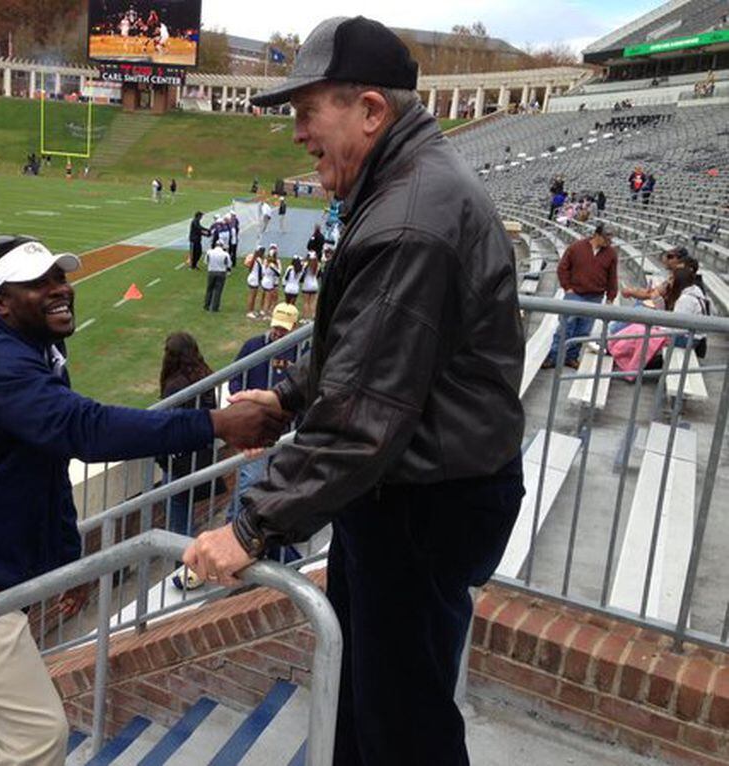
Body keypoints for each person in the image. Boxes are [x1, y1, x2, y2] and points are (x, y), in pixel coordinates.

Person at [182, 17, 525, 766]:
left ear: (370, 110)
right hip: (421, 491)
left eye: (309, 113)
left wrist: (249, 527)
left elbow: (364, 422)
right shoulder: (409, 187)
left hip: (423, 501)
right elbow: (372, 348)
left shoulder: (410, 214)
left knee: (402, 724)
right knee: (366, 702)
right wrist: (288, 399)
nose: (298, 135)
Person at [0, 235, 286, 766]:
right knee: (37, 736)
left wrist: (63, 561)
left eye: (60, 277)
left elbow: (45, 470)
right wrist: (213, 423)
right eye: (39, 284)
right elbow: (83, 428)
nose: (60, 290)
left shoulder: (37, 348)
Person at [227, 302, 301, 565]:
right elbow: (235, 376)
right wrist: (241, 401)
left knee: (275, 482)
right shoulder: (254, 345)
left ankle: (245, 528)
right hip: (255, 428)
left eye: (284, 329)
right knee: (251, 479)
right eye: (276, 327)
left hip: (285, 432)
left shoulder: (301, 350)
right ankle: (234, 530)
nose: (278, 333)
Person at [157, 332, 226, 590]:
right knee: (185, 518)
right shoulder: (204, 376)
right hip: (200, 455)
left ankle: (186, 572)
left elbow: (169, 423)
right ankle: (192, 568)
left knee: (178, 521)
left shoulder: (176, 384)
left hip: (180, 460)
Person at [543, 223, 618, 370]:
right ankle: (553, 356)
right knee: (565, 326)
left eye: (610, 239)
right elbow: (563, 268)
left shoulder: (611, 253)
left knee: (583, 330)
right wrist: (567, 287)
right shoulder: (576, 247)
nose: (609, 242)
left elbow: (612, 277)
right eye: (606, 238)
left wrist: (611, 297)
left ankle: (571, 357)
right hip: (575, 293)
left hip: (595, 296)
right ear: (597, 235)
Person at [203, 241, 232, 312]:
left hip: (211, 272)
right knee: (218, 290)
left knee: (209, 289)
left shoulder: (209, 252)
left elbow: (206, 262)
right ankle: (215, 307)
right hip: (221, 273)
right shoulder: (225, 254)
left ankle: (206, 305)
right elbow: (229, 264)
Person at [259, 248, 281, 317]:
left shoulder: (265, 262)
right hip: (269, 282)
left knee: (264, 296)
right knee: (267, 299)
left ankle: (262, 310)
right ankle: (266, 313)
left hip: (264, 280)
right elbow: (278, 273)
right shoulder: (272, 265)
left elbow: (262, 272)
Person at [244, 246, 264, 318]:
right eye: (261, 251)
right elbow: (250, 267)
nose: (263, 253)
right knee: (252, 295)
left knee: (254, 296)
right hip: (253, 278)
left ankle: (252, 310)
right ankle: (249, 311)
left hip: (256, 279)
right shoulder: (254, 259)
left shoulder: (259, 259)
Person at [300, 253, 321, 321]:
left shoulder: (306, 265)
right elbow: (318, 275)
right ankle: (312, 317)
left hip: (307, 284)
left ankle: (305, 318)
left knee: (306, 302)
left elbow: (302, 272)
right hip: (314, 284)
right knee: (313, 302)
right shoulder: (318, 265)